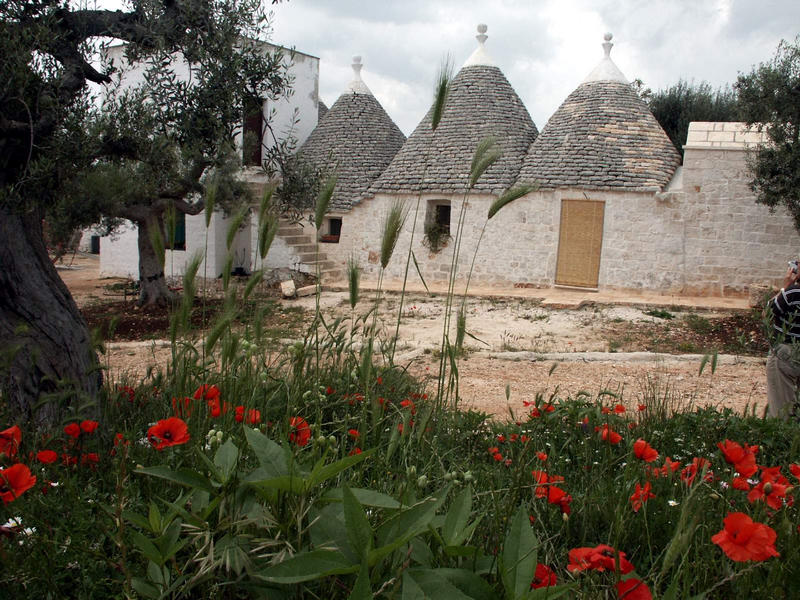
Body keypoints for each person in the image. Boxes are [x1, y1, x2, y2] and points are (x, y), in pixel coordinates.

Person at [766, 262, 800, 419]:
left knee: (782, 412)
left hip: (786, 352)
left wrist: (786, 287)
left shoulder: (792, 293)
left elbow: (767, 314)